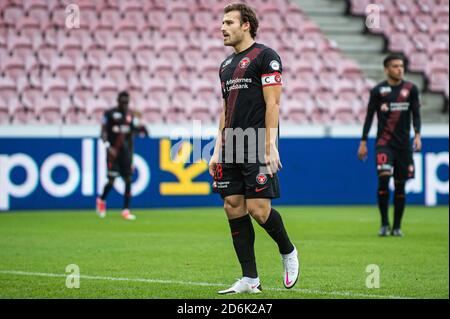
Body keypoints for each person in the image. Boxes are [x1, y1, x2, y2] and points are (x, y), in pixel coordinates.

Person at [209, 3, 299, 294]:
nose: (222, 28)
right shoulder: (225, 66)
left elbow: (273, 103)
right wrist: (215, 149)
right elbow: (224, 109)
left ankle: (288, 251)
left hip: (257, 141)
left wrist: (271, 144)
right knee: (232, 206)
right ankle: (250, 279)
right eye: (222, 23)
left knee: (259, 210)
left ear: (246, 24)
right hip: (231, 144)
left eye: (228, 22)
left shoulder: (266, 56)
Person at [358, 54, 422, 237]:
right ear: (386, 69)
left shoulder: (411, 89)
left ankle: (397, 226)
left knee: (400, 185)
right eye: (395, 66)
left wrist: (417, 135)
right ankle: (384, 223)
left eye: (401, 66)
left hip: (404, 146)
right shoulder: (378, 90)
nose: (399, 69)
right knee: (384, 179)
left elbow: (416, 114)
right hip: (384, 144)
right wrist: (363, 141)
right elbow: (369, 117)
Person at [96, 91, 148, 221]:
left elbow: (138, 131)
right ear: (118, 101)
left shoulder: (131, 115)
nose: (125, 104)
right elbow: (102, 132)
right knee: (112, 181)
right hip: (113, 153)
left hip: (126, 153)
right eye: (122, 101)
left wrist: (141, 126)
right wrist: (108, 146)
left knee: (129, 180)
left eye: (127, 102)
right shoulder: (110, 114)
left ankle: (125, 210)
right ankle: (101, 200)